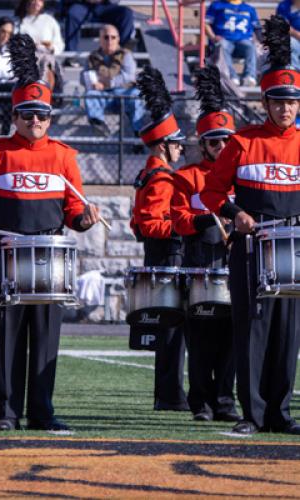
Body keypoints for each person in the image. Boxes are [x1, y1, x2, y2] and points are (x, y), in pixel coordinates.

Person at [0, 34, 100, 431]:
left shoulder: (65, 157)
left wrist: (88, 219)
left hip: (50, 258)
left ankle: (42, 412)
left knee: (47, 339)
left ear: (50, 117)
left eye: (42, 115)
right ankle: (8, 413)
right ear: (14, 116)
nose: (35, 121)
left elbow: (74, 213)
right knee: (10, 338)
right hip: (9, 256)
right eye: (27, 114)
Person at [200, 16, 300, 435]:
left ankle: (280, 412)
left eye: (292, 101)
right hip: (250, 247)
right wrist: (235, 213)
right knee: (253, 328)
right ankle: (253, 414)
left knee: (289, 330)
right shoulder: (241, 142)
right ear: (265, 102)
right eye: (277, 101)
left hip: (293, 248)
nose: (285, 108)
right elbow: (210, 193)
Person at [170, 65, 239, 423]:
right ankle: (201, 403)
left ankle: (226, 401)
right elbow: (178, 220)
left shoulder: (243, 178)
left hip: (235, 265)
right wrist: (206, 219)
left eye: (227, 140)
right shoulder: (186, 177)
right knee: (200, 339)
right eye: (215, 141)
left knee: (232, 337)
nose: (222, 147)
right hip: (200, 265)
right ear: (203, 144)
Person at [130, 65, 188, 412]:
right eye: (177, 144)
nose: (182, 150)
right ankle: (169, 395)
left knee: (171, 329)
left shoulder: (147, 174)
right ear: (164, 146)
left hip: (161, 255)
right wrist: (185, 226)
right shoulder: (162, 179)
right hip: (167, 255)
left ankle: (169, 394)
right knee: (171, 330)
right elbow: (151, 224)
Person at [81, 24, 144, 137]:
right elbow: (83, 77)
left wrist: (108, 83)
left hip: (124, 94)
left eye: (113, 37)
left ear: (118, 39)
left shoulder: (126, 55)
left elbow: (129, 76)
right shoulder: (92, 57)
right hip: (103, 95)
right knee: (90, 94)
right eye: (106, 37)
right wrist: (92, 83)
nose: (109, 40)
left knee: (136, 95)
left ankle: (138, 133)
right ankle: (99, 125)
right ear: (100, 39)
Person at [205, 0, 260, 86]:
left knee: (251, 46)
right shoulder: (216, 5)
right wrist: (213, 37)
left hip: (243, 41)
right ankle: (232, 76)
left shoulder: (249, 9)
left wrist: (260, 42)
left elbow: (257, 29)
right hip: (224, 39)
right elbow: (206, 24)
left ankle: (249, 76)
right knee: (222, 45)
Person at [15, 0, 65, 93]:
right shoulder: (19, 22)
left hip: (46, 56)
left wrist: (51, 46)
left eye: (39, 0)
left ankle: (43, 90)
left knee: (46, 62)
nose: (36, 2)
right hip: (26, 57)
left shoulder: (49, 20)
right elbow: (16, 43)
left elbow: (59, 44)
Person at [63, 0, 134, 64]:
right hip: (82, 6)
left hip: (105, 6)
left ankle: (119, 53)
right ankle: (70, 56)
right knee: (73, 13)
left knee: (126, 13)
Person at [276, 0, 300, 70]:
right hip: (293, 38)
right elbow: (283, 25)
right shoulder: (284, 6)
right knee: (290, 43)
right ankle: (295, 73)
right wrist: (297, 34)